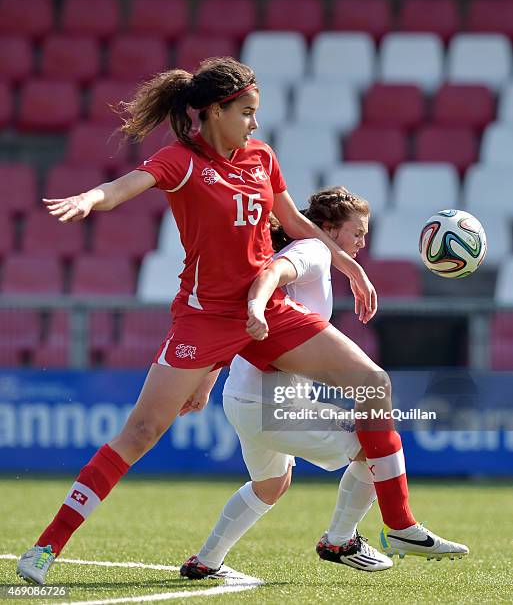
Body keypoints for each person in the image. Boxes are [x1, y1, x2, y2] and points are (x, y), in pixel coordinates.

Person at [14, 56, 454, 586]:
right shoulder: (181, 160)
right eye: (246, 112)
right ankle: (45, 548)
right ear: (213, 113)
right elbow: (127, 185)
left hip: (268, 310)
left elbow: (292, 222)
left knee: (373, 383)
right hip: (204, 318)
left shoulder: (262, 157)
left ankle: (400, 524)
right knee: (142, 431)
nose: (255, 123)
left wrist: (351, 266)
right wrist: (91, 198)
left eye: (255, 112)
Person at [179, 188, 468, 580]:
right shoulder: (313, 250)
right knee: (372, 446)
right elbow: (273, 275)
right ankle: (345, 539)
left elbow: (241, 324)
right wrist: (256, 305)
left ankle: (205, 562)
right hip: (270, 404)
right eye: (358, 233)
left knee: (271, 485)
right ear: (329, 229)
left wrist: (209, 378)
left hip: (244, 397)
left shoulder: (312, 253)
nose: (362, 242)